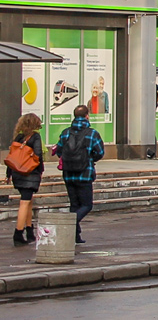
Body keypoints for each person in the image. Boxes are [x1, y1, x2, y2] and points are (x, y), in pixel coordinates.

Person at [52, 105, 104, 245]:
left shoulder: (65, 133)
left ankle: (75, 236)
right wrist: (90, 159)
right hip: (84, 174)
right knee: (87, 205)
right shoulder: (92, 133)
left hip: (68, 173)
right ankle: (69, 222)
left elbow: (58, 151)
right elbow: (100, 152)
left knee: (74, 204)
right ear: (87, 116)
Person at [6, 113, 44, 245]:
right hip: (29, 172)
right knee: (24, 202)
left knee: (28, 200)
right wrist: (39, 170)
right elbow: (38, 155)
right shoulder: (35, 137)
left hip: (17, 172)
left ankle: (29, 230)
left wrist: (8, 174)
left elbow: (12, 156)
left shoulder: (19, 137)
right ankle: (18, 233)